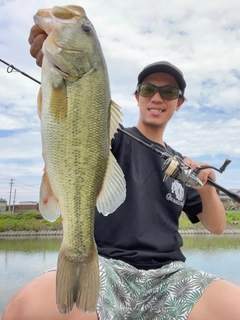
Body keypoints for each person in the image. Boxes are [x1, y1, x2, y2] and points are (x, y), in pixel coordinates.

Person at [2, 25, 240, 320]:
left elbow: (216, 227)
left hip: (171, 275)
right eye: (148, 89)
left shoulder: (181, 165)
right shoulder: (111, 137)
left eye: (168, 92)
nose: (157, 97)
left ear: (178, 103)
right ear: (137, 96)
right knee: (22, 309)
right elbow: (75, 118)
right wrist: (55, 66)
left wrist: (205, 185)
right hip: (104, 265)